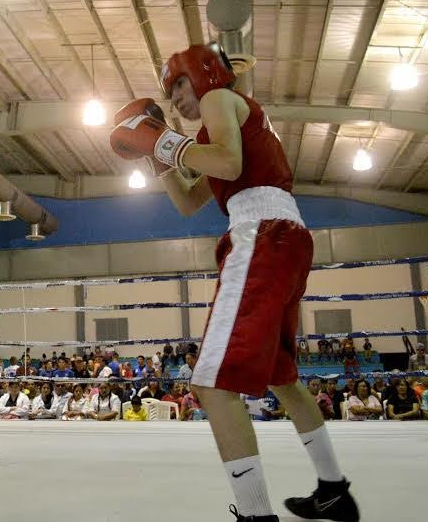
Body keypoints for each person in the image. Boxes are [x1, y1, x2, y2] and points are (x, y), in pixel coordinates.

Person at [110, 43, 358, 521]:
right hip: (282, 237)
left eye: (179, 83)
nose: (176, 96)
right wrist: (155, 154)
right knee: (282, 377)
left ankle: (256, 513)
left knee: (210, 382)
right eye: (169, 90)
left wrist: (161, 140)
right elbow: (188, 202)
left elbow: (228, 165)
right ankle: (334, 489)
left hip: (262, 235)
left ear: (202, 74)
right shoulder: (217, 129)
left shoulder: (220, 100)